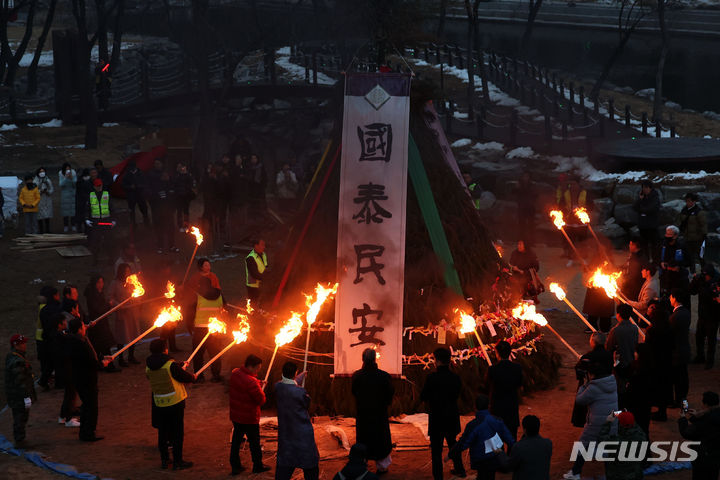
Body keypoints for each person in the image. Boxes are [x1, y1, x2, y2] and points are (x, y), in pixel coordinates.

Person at [146, 338, 196, 470]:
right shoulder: (170, 364)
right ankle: (178, 461)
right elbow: (183, 377)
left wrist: (179, 366)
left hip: (160, 403)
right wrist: (192, 377)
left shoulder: (148, 366)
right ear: (164, 349)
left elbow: (165, 372)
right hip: (175, 403)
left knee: (163, 433)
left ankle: (165, 460)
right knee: (177, 433)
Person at [563, 363, 618, 480]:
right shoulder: (612, 382)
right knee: (607, 446)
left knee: (583, 445)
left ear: (592, 374)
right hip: (612, 420)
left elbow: (580, 400)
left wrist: (583, 384)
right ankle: (611, 474)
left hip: (596, 422)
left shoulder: (593, 388)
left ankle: (575, 472)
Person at [420, 347, 465, 480]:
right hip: (451, 416)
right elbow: (457, 394)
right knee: (453, 444)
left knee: (436, 450)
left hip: (437, 418)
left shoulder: (431, 378)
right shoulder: (455, 378)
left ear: (437, 361)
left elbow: (423, 396)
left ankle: (438, 476)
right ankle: (460, 469)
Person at [447, 394, 515, 480]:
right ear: (488, 406)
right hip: (495, 456)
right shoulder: (497, 421)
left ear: (475, 407)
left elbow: (463, 443)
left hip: (480, 459)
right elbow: (509, 438)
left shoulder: (473, 425)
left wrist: (451, 454)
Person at [64, 317, 110, 441]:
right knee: (91, 407)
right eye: (83, 326)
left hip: (80, 378)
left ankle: (85, 432)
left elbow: (91, 356)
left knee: (87, 406)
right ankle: (88, 433)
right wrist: (102, 364)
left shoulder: (73, 340)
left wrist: (102, 358)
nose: (85, 327)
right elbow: (89, 361)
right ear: (79, 329)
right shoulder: (80, 343)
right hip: (86, 379)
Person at [352, 348, 395, 474]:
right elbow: (390, 393)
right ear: (375, 359)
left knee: (364, 439)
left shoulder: (357, 376)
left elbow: (354, 392)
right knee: (380, 440)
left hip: (364, 415)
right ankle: (382, 467)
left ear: (363, 359)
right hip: (379, 415)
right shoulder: (384, 376)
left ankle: (362, 465)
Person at [275, 362, 320, 480]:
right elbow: (306, 404)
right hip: (302, 433)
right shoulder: (301, 392)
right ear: (294, 373)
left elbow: (288, 385)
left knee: (286, 463)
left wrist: (300, 376)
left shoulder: (278, 387)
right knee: (310, 464)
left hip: (286, 433)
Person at [229, 354, 271, 475]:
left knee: (236, 442)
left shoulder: (236, 373)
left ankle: (235, 466)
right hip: (248, 418)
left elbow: (245, 382)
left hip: (236, 416)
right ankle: (257, 465)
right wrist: (260, 387)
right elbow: (261, 400)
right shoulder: (251, 382)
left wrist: (258, 382)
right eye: (257, 368)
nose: (258, 370)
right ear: (251, 366)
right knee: (254, 443)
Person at [190, 276, 225, 382]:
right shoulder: (219, 294)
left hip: (200, 328)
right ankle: (216, 375)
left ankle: (199, 376)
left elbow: (191, 312)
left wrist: (189, 326)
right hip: (215, 328)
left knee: (198, 353)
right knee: (215, 353)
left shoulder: (196, 295)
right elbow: (224, 307)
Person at [678, 391, 720, 480]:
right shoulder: (714, 415)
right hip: (716, 456)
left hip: (703, 458)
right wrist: (697, 417)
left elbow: (687, 433)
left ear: (705, 404)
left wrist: (682, 419)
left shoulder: (706, 420)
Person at [494, 415, 552, 480]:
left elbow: (508, 466)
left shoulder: (519, 447)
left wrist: (500, 453)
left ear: (524, 430)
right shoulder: (548, 443)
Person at [5, 334, 37, 447]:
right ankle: (19, 440)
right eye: (22, 343)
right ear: (16, 345)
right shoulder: (17, 361)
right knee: (20, 417)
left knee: (20, 417)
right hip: (19, 396)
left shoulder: (14, 357)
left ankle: (20, 439)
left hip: (16, 396)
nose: (25, 345)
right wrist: (26, 396)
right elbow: (20, 381)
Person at [487, 341, 523, 441]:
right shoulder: (517, 368)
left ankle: (500, 456)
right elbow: (519, 384)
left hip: (497, 407)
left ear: (497, 353)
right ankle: (511, 455)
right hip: (511, 405)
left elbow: (487, 385)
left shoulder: (492, 369)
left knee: (497, 438)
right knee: (512, 436)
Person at [645, 300, 674, 421]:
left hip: (655, 363)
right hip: (667, 362)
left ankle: (658, 412)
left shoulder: (652, 330)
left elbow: (648, 347)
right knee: (665, 388)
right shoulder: (669, 328)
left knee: (655, 387)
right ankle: (662, 411)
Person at [84, 275, 119, 372]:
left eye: (102, 282)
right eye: (99, 282)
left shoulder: (99, 293)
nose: (101, 285)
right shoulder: (91, 295)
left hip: (102, 322)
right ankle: (107, 366)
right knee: (102, 345)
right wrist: (109, 305)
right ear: (94, 283)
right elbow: (98, 309)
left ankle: (103, 365)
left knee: (102, 345)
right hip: (97, 323)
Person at [597, 411, 647, 480]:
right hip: (635, 474)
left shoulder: (616, 442)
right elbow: (633, 425)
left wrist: (608, 422)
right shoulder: (641, 436)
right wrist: (626, 415)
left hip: (617, 475)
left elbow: (601, 439)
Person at [109, 263, 141, 366]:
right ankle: (121, 358)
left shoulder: (132, 282)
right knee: (122, 336)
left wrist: (138, 301)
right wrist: (118, 305)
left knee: (132, 335)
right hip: (122, 314)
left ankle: (131, 356)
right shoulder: (115, 283)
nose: (128, 273)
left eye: (129, 271)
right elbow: (110, 298)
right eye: (126, 271)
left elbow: (136, 294)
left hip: (132, 312)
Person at [689, 264, 720, 369]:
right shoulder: (701, 279)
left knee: (711, 339)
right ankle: (700, 356)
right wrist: (694, 281)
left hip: (713, 316)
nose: (705, 277)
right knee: (699, 337)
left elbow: (716, 297)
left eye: (706, 276)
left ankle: (710, 361)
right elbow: (692, 291)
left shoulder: (717, 281)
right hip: (702, 314)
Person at [147, 159, 178, 254]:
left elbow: (173, 190)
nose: (157, 165)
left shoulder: (168, 176)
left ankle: (171, 245)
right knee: (159, 228)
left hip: (168, 208)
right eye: (155, 163)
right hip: (157, 208)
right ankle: (160, 246)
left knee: (170, 228)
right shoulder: (152, 176)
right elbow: (149, 191)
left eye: (158, 163)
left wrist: (173, 206)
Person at [605, 304, 639, 389]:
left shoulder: (615, 330)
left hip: (619, 363)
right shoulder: (634, 328)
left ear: (618, 315)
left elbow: (608, 347)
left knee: (620, 387)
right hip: (631, 362)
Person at [669, 288, 691, 407]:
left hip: (677, 351)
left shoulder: (675, 316)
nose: (670, 299)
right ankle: (682, 399)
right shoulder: (686, 312)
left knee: (678, 378)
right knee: (683, 376)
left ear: (675, 298)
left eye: (671, 297)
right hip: (685, 348)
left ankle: (679, 401)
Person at [39, 287, 63, 389]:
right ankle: (58, 383)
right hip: (55, 338)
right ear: (54, 296)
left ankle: (43, 380)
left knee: (50, 363)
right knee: (57, 361)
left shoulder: (44, 309)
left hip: (47, 339)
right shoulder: (57, 308)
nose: (59, 297)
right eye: (57, 295)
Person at [86, 178, 115, 263]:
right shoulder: (91, 195)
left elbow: (112, 208)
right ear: (94, 186)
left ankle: (111, 259)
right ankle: (95, 259)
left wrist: (113, 220)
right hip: (96, 223)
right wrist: (87, 219)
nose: (99, 187)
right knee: (96, 242)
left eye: (100, 185)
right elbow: (87, 209)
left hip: (106, 221)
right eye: (97, 186)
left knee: (108, 241)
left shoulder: (107, 194)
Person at [678, 192, 707, 272]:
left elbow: (703, 224)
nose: (688, 203)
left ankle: (704, 272)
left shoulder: (699, 212)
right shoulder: (684, 210)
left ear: (694, 201)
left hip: (698, 239)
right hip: (687, 238)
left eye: (689, 201)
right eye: (686, 201)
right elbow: (680, 221)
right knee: (690, 257)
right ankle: (692, 272)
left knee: (700, 257)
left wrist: (704, 236)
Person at [633, 180, 661, 262]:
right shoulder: (642, 197)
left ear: (650, 188)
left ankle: (655, 262)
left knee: (654, 245)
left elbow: (650, 209)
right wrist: (640, 199)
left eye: (646, 188)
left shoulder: (655, 197)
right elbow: (634, 207)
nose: (644, 189)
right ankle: (645, 261)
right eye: (643, 188)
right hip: (643, 226)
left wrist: (641, 210)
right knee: (643, 245)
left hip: (652, 226)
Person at [659, 225, 690, 295]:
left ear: (675, 236)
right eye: (666, 234)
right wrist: (661, 262)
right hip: (665, 277)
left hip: (678, 278)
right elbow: (656, 258)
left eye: (669, 234)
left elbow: (688, 261)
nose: (667, 236)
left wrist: (678, 266)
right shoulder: (662, 245)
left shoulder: (681, 246)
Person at [121, 160, 149, 227]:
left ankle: (147, 223)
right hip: (131, 196)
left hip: (140, 195)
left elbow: (145, 184)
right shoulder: (126, 175)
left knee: (144, 210)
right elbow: (123, 185)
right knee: (131, 212)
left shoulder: (141, 173)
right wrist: (130, 187)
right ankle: (133, 225)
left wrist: (139, 186)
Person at [621, 237, 648, 302]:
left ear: (635, 245)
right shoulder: (633, 255)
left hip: (634, 288)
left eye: (630, 244)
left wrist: (625, 282)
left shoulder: (639, 258)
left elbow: (634, 275)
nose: (629, 246)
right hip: (630, 287)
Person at [172, 162, 196, 232]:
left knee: (186, 212)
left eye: (181, 167)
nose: (181, 168)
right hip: (178, 196)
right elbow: (174, 185)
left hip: (186, 197)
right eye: (179, 167)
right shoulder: (176, 176)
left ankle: (186, 225)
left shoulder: (189, 176)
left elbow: (192, 185)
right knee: (179, 211)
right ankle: (180, 226)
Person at [515, 172, 537, 246]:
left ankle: (531, 241)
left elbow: (535, 195)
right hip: (522, 207)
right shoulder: (519, 185)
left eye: (527, 176)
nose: (525, 178)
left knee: (531, 225)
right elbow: (515, 194)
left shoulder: (532, 185)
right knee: (522, 226)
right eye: (524, 176)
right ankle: (522, 241)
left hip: (530, 208)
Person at [245, 239, 267, 306]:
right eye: (262, 245)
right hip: (253, 287)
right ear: (256, 246)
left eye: (264, 245)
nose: (264, 247)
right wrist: (267, 279)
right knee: (254, 306)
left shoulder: (263, 255)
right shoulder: (250, 258)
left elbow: (265, 267)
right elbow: (254, 274)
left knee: (262, 305)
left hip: (262, 285)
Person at [34, 166, 54, 233]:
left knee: (47, 215)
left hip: (47, 199)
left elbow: (52, 189)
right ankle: (41, 231)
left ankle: (48, 230)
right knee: (40, 216)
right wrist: (40, 191)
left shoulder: (48, 180)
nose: (42, 173)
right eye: (40, 171)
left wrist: (48, 191)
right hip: (39, 200)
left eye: (43, 171)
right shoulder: (35, 181)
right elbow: (34, 190)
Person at [59, 162, 77, 232]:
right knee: (65, 211)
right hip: (65, 195)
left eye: (69, 169)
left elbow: (75, 184)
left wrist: (71, 178)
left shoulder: (73, 173)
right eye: (66, 169)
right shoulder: (60, 173)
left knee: (73, 211)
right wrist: (66, 177)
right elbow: (61, 184)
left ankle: (73, 225)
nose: (68, 170)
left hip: (72, 194)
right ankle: (65, 226)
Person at [75, 169, 94, 233]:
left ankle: (83, 230)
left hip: (82, 201)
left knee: (83, 217)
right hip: (82, 201)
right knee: (82, 217)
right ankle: (81, 230)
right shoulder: (82, 181)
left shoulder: (80, 180)